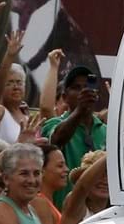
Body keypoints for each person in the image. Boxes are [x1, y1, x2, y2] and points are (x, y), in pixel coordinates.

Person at [42, 66, 106, 208]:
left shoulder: (105, 131)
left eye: (87, 87)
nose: (83, 92)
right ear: (64, 97)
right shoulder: (53, 124)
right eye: (77, 88)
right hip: (62, 213)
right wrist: (80, 110)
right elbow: (56, 141)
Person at [0, 143, 43, 224]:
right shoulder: (0, 209)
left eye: (36, 173)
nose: (32, 180)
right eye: (24, 173)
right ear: (6, 178)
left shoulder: (30, 210)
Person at [60, 151, 109, 224]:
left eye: (110, 174)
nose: (105, 180)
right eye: (98, 175)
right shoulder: (76, 209)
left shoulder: (117, 212)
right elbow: (82, 187)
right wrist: (113, 152)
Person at [30, 145, 67, 224]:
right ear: (42, 171)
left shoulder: (45, 201)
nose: (66, 169)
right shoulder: (38, 202)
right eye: (60, 166)